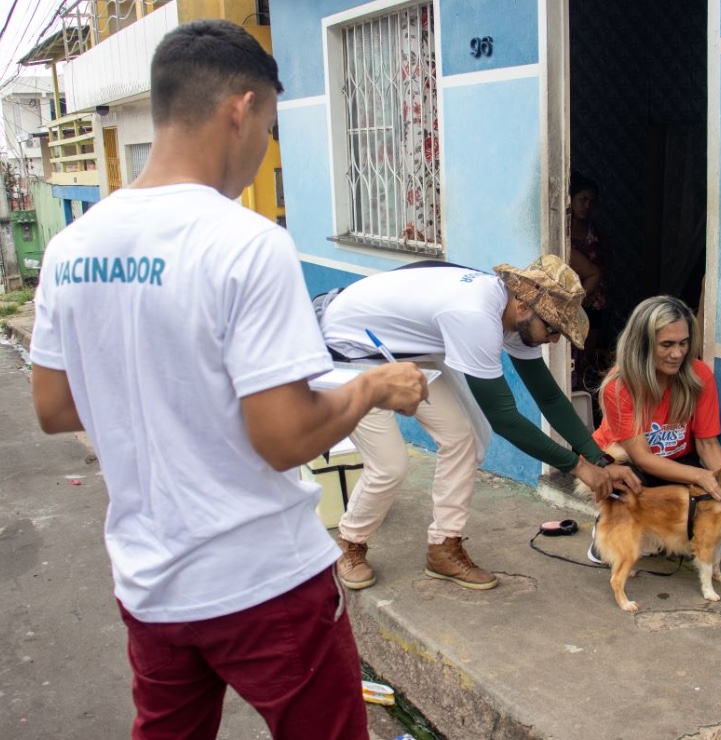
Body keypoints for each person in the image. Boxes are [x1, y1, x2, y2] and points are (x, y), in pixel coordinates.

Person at [29, 20, 427, 740]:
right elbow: (282, 439)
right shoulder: (246, 242)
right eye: (269, 128)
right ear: (240, 108)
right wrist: (370, 388)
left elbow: (54, 407)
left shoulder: (71, 247)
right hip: (263, 581)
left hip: (151, 583)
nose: (261, 151)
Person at [320, 255, 642, 592]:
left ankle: (444, 547)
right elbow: (504, 417)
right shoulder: (476, 316)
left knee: (465, 439)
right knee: (389, 465)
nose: (554, 340)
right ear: (523, 307)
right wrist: (579, 468)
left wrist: (600, 459)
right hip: (352, 347)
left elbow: (547, 397)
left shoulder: (515, 310)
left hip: (405, 347)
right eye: (553, 329)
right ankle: (349, 544)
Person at [593, 295, 721, 499]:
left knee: (712, 497)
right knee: (628, 490)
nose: (677, 354)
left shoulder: (699, 375)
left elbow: (707, 445)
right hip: (626, 461)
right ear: (643, 346)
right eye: (667, 345)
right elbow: (642, 458)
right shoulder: (618, 385)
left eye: (683, 343)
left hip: (676, 461)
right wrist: (701, 476)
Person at [567, 171, 610, 396]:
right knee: (566, 358)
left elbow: (602, 267)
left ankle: (581, 401)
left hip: (593, 303)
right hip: (569, 305)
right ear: (571, 200)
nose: (587, 205)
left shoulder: (597, 232)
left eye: (592, 201)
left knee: (585, 358)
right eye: (583, 199)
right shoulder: (561, 233)